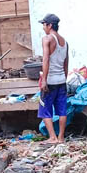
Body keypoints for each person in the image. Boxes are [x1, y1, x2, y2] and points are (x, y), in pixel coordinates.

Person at [38, 14, 69, 143]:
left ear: (50, 25)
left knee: (45, 109)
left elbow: (46, 60)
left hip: (50, 80)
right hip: (61, 80)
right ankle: (61, 137)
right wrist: (64, 78)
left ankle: (52, 137)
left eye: (44, 25)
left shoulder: (47, 39)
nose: (43, 27)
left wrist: (44, 79)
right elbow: (66, 63)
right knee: (62, 110)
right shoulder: (65, 42)